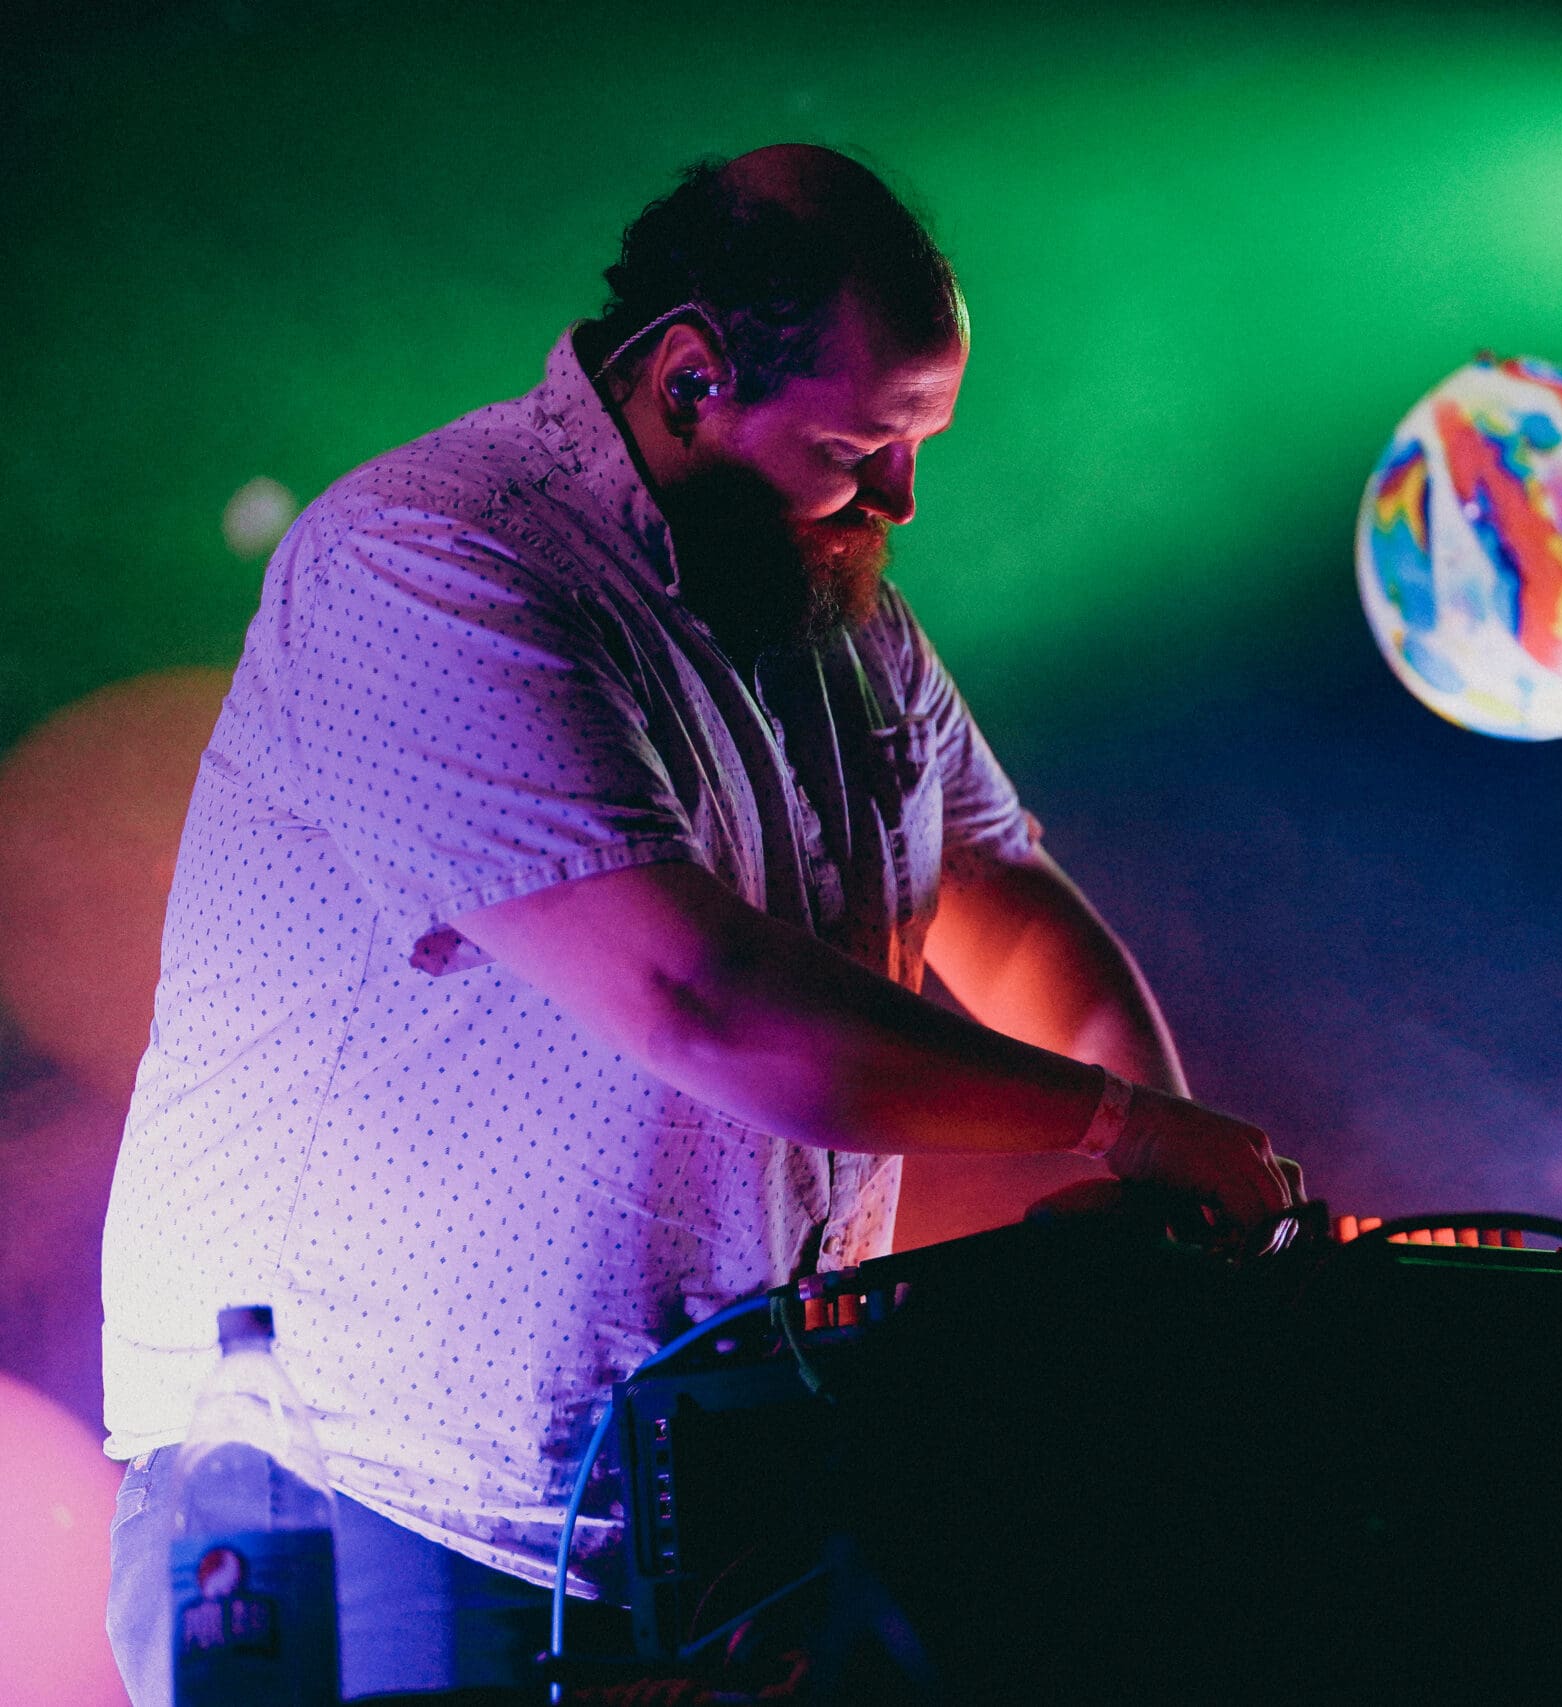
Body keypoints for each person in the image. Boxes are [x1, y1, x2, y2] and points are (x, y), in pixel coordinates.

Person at [98, 143, 1295, 1703]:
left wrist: (1181, 1196)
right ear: (687, 375)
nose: (903, 497)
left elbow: (1004, 908)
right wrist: (1123, 1130)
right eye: (866, 443)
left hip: (678, 1527)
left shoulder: (836, 610)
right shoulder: (432, 559)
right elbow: (700, 998)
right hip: (370, 1496)